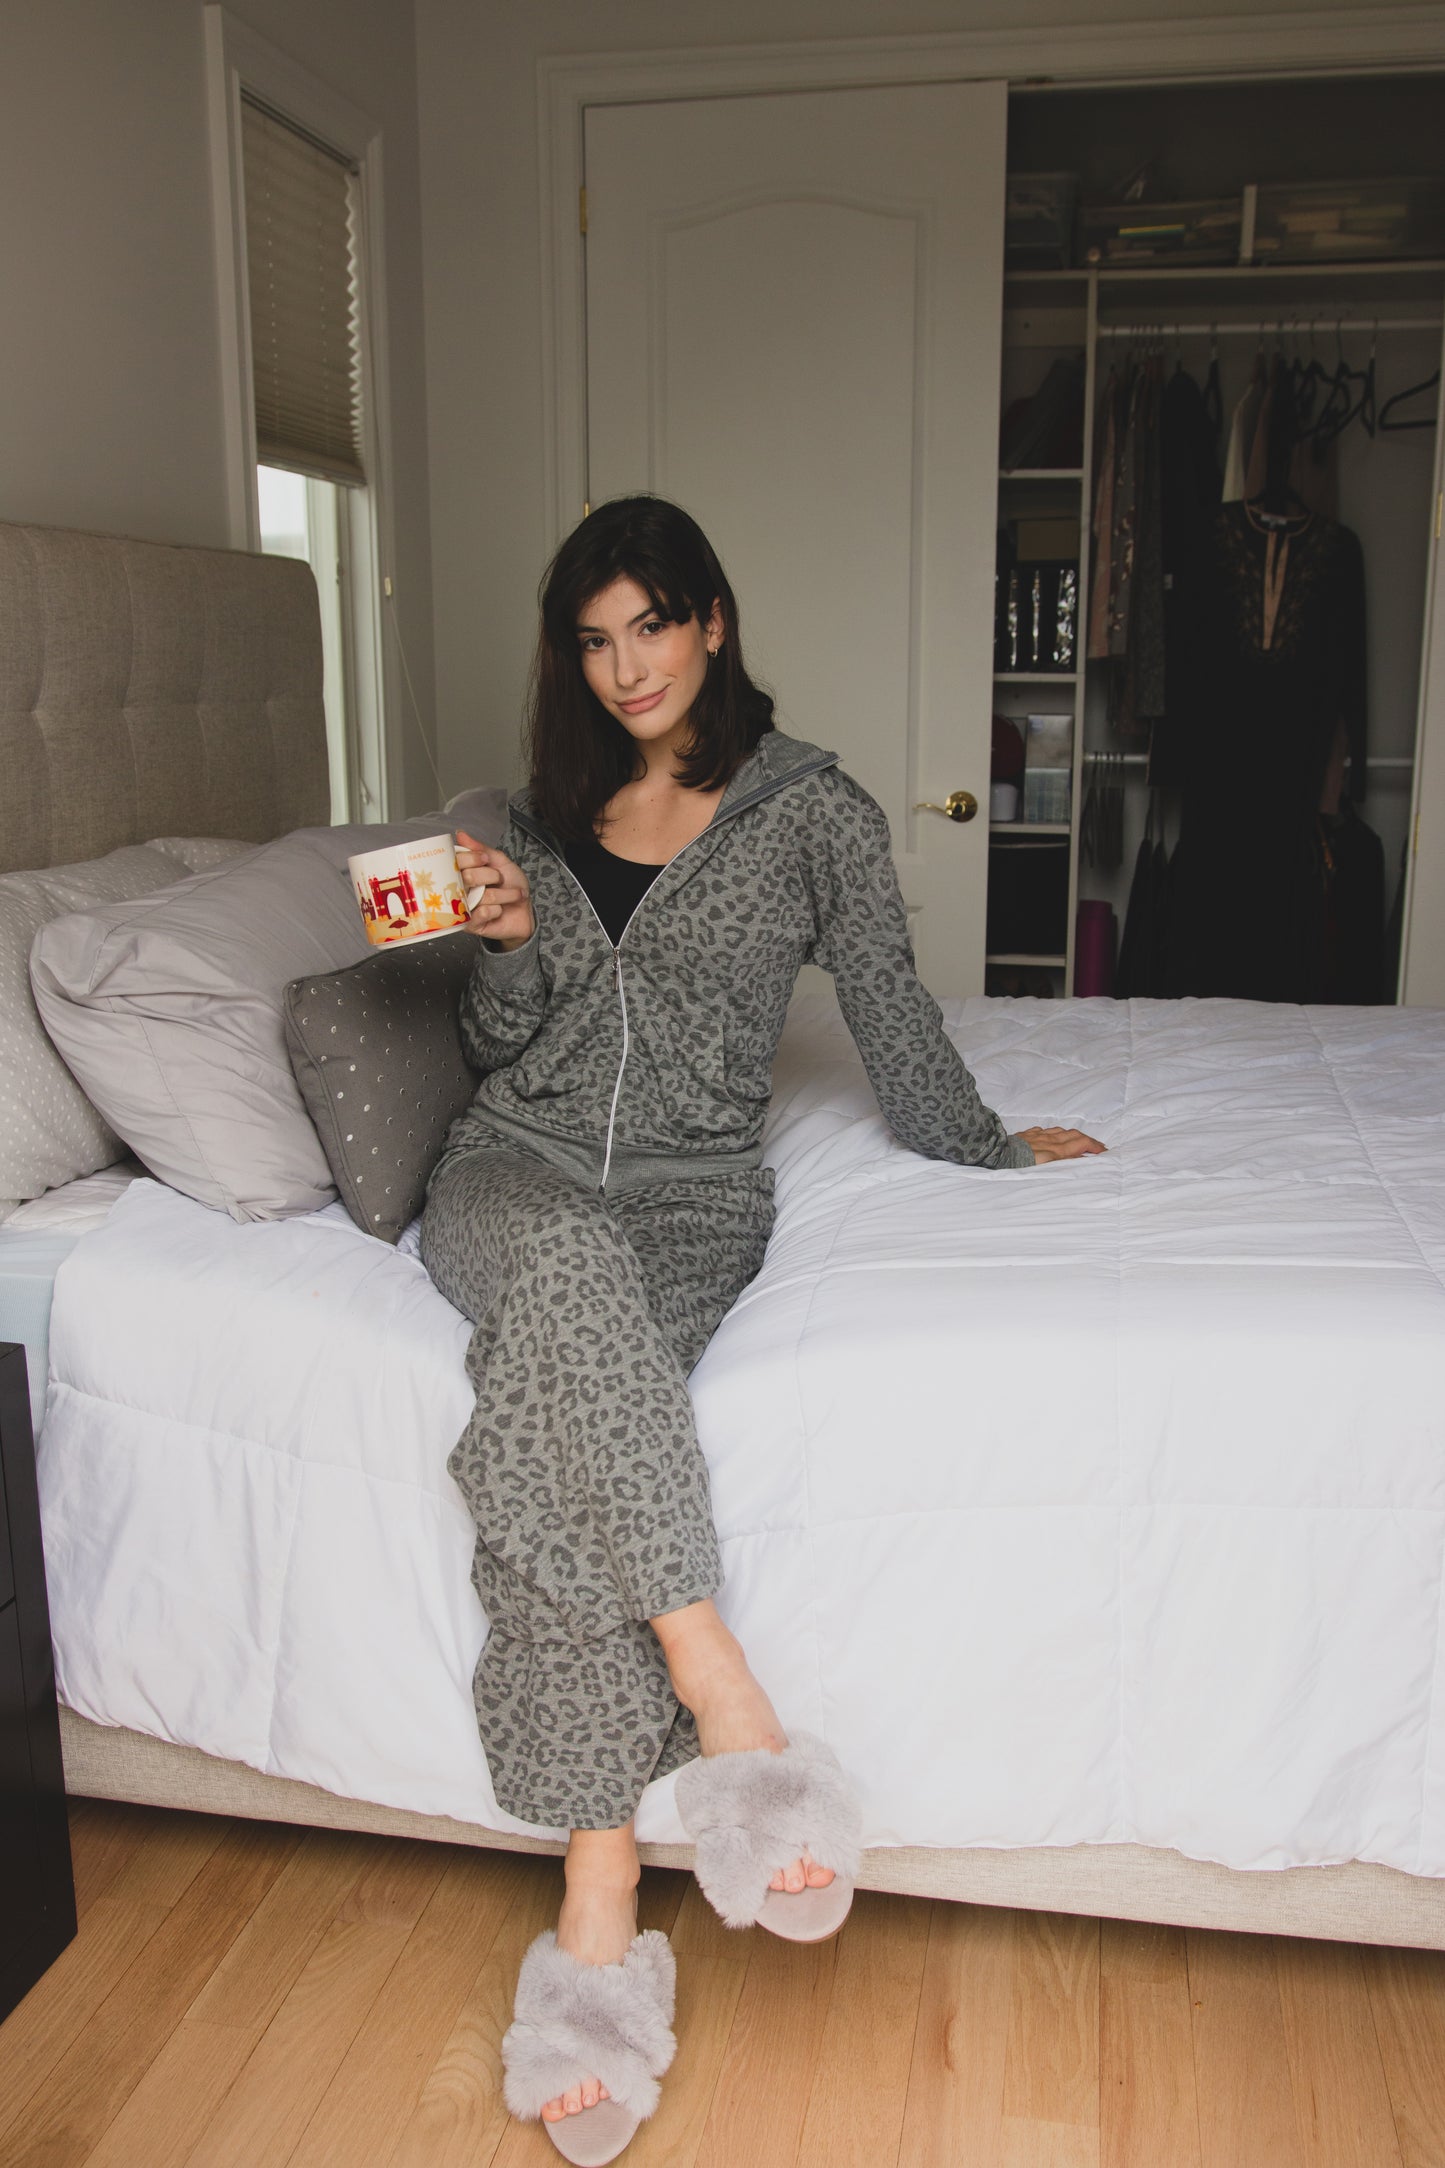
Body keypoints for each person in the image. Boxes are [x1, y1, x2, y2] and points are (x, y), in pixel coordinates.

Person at [419, 496, 1104, 2162]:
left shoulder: (812, 814)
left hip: (690, 1199)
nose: (625, 667)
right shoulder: (534, 815)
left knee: (558, 1419)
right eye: (594, 640)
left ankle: (595, 1909)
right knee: (562, 1292)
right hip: (507, 1172)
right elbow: (504, 1042)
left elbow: (885, 1004)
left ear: (712, 622)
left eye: (650, 625)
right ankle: (717, 1688)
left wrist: (986, 1144)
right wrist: (505, 942)